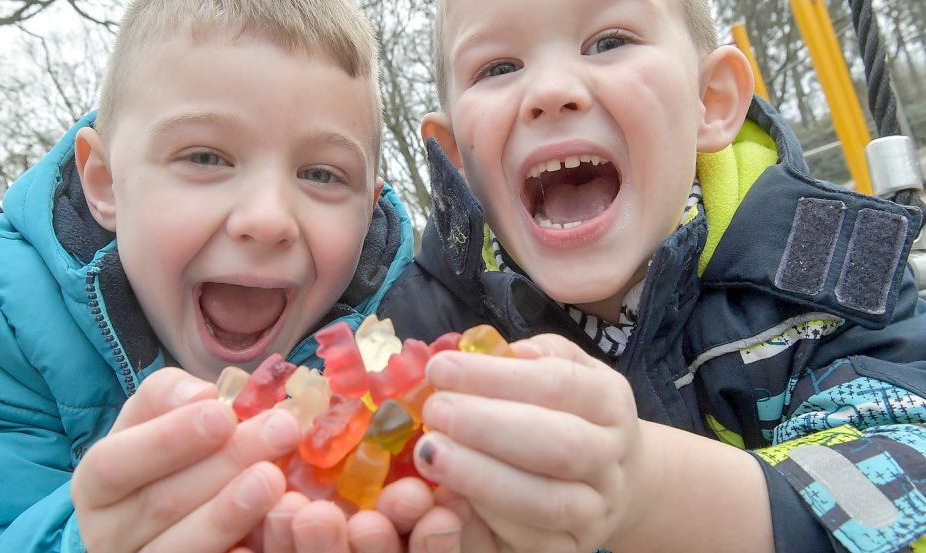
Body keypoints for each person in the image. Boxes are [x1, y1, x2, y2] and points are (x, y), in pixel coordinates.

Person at [374, 0, 926, 551]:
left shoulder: (824, 264)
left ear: (710, 100)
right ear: (456, 159)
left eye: (609, 42)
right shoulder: (424, 328)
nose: (549, 90)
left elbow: (908, 482)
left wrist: (646, 489)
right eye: (498, 68)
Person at [0, 0, 448, 550]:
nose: (267, 219)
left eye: (322, 173)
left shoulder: (402, 335)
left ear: (368, 210)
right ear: (106, 182)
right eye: (206, 158)